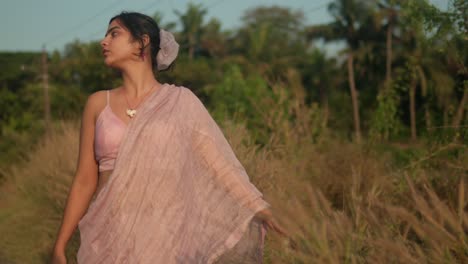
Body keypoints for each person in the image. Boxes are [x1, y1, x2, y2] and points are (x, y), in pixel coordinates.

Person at [51, 11, 286, 264]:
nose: (103, 41)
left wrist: (260, 208)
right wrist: (60, 245)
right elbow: (85, 180)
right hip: (108, 235)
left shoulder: (181, 101)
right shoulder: (98, 103)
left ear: (141, 43)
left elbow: (219, 164)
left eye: (114, 33)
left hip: (166, 237)